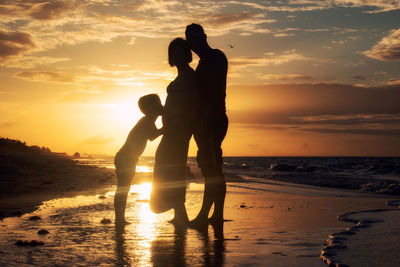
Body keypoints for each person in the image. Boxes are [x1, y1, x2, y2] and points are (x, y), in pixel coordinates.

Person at [150, 38, 198, 227]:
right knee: (167, 166)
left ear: (186, 54)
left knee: (173, 167)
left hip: (180, 129)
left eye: (180, 51)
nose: (177, 55)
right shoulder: (179, 78)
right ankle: (180, 213)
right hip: (170, 129)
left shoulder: (190, 76)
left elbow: (193, 104)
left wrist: (183, 124)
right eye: (174, 52)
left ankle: (180, 213)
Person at [185, 23, 229, 227]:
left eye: (197, 38)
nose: (194, 44)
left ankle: (206, 214)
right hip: (205, 120)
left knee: (212, 169)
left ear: (204, 37)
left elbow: (215, 91)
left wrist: (203, 117)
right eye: (190, 40)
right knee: (208, 167)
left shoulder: (216, 57)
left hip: (213, 119)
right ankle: (215, 214)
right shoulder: (202, 63)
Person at [114, 94, 163, 226]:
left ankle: (119, 218)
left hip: (127, 157)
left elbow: (151, 136)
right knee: (123, 188)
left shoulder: (148, 120)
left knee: (124, 187)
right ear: (150, 109)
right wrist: (166, 128)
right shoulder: (146, 121)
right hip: (126, 158)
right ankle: (119, 219)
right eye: (157, 106)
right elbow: (153, 135)